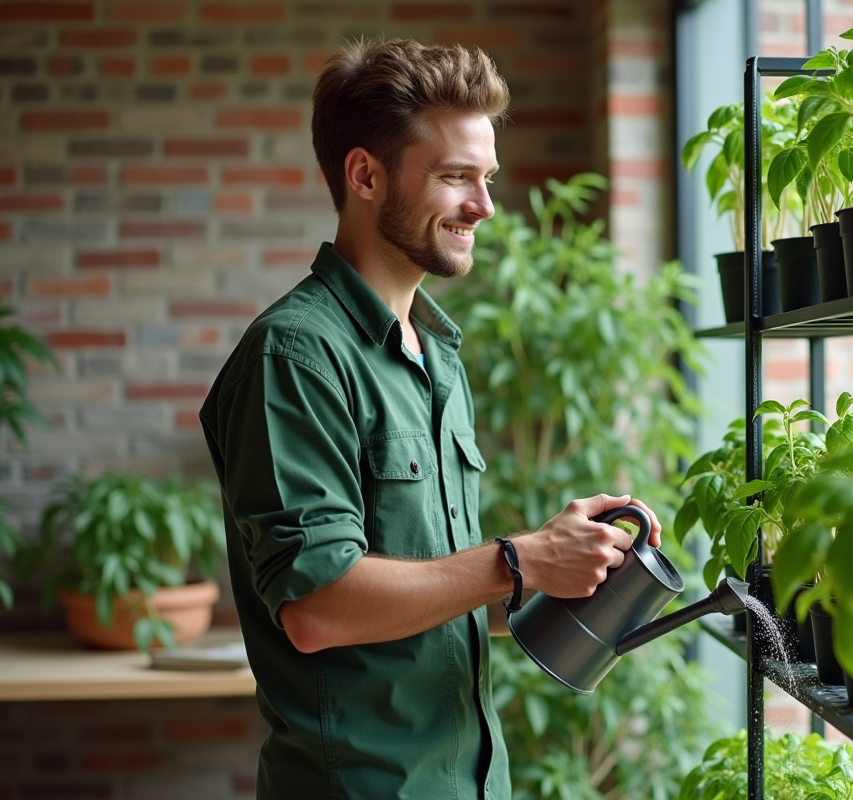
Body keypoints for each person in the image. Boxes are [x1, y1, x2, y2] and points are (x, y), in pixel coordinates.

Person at [199, 37, 662, 800]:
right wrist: (519, 559)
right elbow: (317, 608)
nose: (483, 205)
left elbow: (434, 592)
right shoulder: (295, 356)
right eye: (455, 177)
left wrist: (564, 569)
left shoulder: (435, 352)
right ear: (365, 175)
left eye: (486, 178)